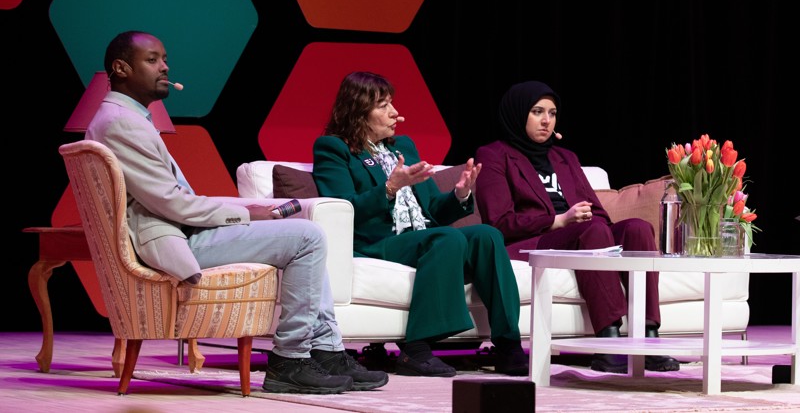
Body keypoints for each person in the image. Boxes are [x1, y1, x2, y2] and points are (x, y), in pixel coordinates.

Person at [85, 31, 389, 394]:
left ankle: (325, 350)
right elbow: (172, 204)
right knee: (307, 237)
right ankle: (291, 360)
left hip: (181, 230)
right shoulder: (122, 122)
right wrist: (245, 215)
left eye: (165, 58)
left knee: (307, 233)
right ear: (120, 68)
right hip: (174, 239)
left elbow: (171, 199)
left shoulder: (126, 118)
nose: (165, 67)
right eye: (152, 60)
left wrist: (247, 212)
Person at [311, 71, 528, 377]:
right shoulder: (334, 149)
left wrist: (460, 193)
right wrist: (389, 188)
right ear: (358, 110)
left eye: (392, 104)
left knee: (487, 235)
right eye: (383, 105)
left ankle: (509, 346)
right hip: (376, 243)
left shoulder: (404, 148)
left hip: (421, 239)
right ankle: (417, 348)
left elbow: (433, 211)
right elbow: (343, 208)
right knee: (446, 239)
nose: (395, 113)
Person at [474, 80, 680, 373]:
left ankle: (647, 336)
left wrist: (585, 220)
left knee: (637, 228)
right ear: (518, 114)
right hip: (531, 240)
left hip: (577, 232)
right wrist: (559, 220)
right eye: (537, 112)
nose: (547, 120)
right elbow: (500, 222)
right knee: (593, 230)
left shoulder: (564, 157)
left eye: (552, 113)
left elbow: (596, 211)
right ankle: (608, 342)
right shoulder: (493, 155)